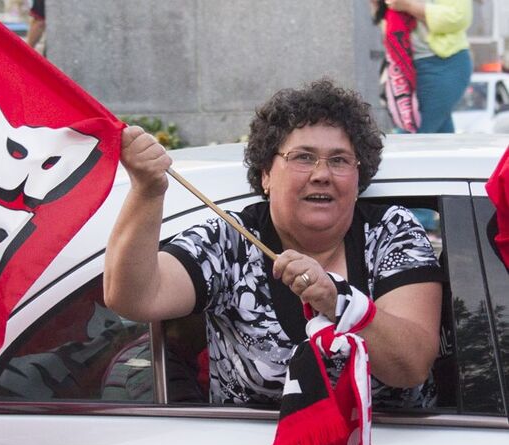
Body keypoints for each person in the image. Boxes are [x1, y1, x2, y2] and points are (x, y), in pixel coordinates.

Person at [104, 78, 445, 408]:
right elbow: (135, 296)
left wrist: (336, 300)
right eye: (303, 157)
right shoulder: (230, 241)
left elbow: (411, 366)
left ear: (359, 177)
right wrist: (147, 191)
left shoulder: (391, 231)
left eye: (339, 160)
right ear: (266, 173)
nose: (321, 174)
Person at [375, 0, 473, 133]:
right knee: (440, 137)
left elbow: (459, 17)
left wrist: (408, 6)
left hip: (444, 62)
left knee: (413, 131)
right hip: (411, 66)